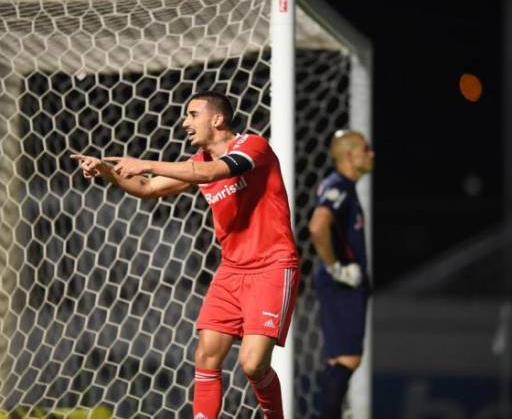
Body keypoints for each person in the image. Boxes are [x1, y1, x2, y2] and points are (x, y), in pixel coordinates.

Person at [71, 91, 299, 418]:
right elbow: (148, 188)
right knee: (206, 356)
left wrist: (146, 163)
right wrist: (106, 171)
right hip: (231, 270)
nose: (185, 122)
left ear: (217, 119)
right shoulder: (198, 163)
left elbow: (213, 174)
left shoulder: (252, 146)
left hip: (272, 267)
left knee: (252, 364)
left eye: (192, 115)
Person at [308, 129, 374, 419]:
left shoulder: (342, 186)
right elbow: (317, 225)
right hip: (342, 282)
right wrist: (337, 268)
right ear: (349, 155)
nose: (371, 154)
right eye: (366, 149)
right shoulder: (340, 186)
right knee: (347, 359)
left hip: (340, 282)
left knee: (340, 361)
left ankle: (335, 411)